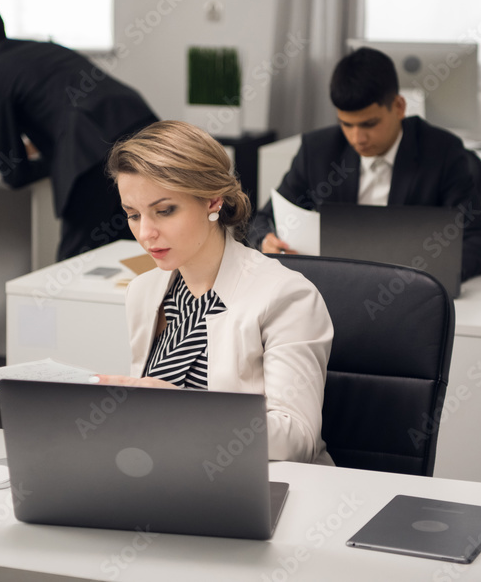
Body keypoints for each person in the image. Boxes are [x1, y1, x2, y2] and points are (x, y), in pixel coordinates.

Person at [92, 120, 334, 464]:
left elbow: (297, 440)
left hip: (258, 482)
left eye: (164, 211)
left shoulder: (287, 296)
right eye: (133, 215)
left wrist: (185, 408)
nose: (145, 233)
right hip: (170, 473)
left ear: (212, 201)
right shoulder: (144, 292)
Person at [247, 47, 481, 282]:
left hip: (410, 293)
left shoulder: (443, 153)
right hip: (335, 289)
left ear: (399, 107)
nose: (357, 138)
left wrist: (429, 271)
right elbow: (263, 220)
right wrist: (265, 241)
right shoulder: (318, 151)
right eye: (347, 124)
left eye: (369, 124)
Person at [0, 1, 160, 261]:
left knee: (76, 264)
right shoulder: (40, 49)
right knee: (141, 250)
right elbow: (60, 102)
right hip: (140, 124)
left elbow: (14, 173)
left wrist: (51, 164)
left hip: (89, 149)